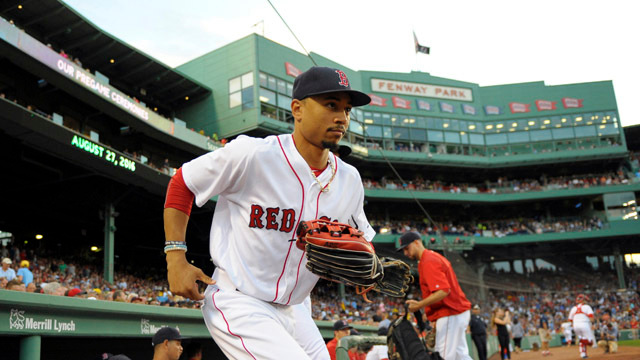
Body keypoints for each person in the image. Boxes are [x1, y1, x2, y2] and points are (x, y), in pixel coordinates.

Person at [163, 66, 374, 360]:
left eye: (347, 109)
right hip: (240, 301)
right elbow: (183, 182)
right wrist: (175, 256)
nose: (342, 117)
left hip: (296, 308)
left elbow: (361, 242)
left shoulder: (349, 180)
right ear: (297, 109)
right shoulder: (253, 154)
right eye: (331, 105)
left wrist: (369, 268)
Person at [400, 231, 472, 360]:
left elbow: (443, 291)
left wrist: (419, 305)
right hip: (453, 313)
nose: (405, 253)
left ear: (417, 242)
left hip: (450, 313)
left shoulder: (428, 260)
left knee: (444, 357)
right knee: (460, 356)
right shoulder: (427, 259)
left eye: (407, 248)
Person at [569, 294, 595, 359]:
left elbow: (570, 319)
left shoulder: (573, 308)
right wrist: (593, 324)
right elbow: (591, 317)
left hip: (575, 325)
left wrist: (574, 325)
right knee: (590, 342)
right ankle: (582, 342)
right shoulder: (587, 307)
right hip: (584, 324)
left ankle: (583, 354)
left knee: (582, 338)